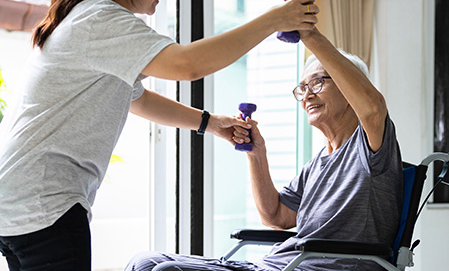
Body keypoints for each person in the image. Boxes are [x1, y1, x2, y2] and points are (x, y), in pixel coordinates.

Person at [0, 0, 318, 270]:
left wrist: (210, 123)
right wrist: (274, 20)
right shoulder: (101, 19)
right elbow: (187, 64)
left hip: (21, 196)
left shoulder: (91, 18)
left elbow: (135, 98)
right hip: (42, 200)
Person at [124, 28, 403, 269]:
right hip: (278, 264)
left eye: (318, 82)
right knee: (145, 262)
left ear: (349, 87)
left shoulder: (371, 150)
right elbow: (276, 216)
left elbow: (373, 108)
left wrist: (309, 34)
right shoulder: (318, 163)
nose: (307, 95)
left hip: (320, 268)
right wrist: (257, 154)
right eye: (302, 88)